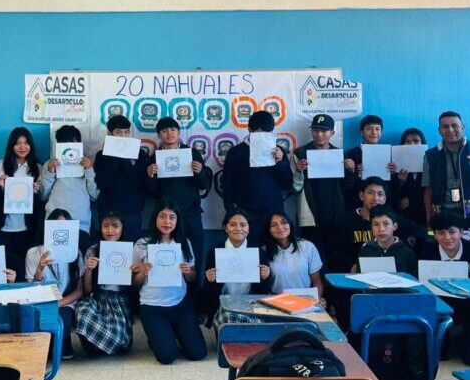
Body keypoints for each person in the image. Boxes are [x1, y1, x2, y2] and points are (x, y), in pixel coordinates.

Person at [131, 200, 207, 365]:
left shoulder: (184, 243)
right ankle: (160, 336)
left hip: (180, 305)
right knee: (167, 356)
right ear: (155, 218)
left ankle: (172, 332)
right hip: (153, 308)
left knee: (198, 353)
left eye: (172, 217)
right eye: (162, 216)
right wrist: (142, 272)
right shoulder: (142, 244)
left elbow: (192, 277)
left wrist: (188, 272)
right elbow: (134, 283)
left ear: (177, 220)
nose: (167, 222)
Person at [146, 117, 211, 278]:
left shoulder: (192, 153)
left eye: (173, 129)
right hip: (166, 218)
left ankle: (196, 291)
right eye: (165, 131)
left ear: (179, 132)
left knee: (195, 255)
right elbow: (151, 193)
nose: (170, 133)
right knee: (167, 256)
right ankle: (171, 290)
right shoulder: (154, 158)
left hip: (191, 214)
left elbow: (203, 185)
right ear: (159, 135)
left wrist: (200, 172)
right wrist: (150, 177)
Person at [419, 210, 470, 366]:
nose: (447, 237)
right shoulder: (427, 251)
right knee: (438, 356)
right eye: (441, 233)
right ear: (435, 235)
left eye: (452, 232)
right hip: (440, 303)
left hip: (469, 303)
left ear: (461, 232)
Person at [0, 127, 46, 282]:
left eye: (26, 143)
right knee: (3, 270)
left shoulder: (38, 168)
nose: (22, 147)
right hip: (2, 229)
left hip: (27, 229)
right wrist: (0, 189)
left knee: (24, 271)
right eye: (18, 143)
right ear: (11, 145)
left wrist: (35, 192)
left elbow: (44, 198)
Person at [221, 110, 294, 245]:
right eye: (259, 133)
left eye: (267, 133)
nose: (262, 137)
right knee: (251, 250)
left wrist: (281, 162)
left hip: (274, 212)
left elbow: (287, 183)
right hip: (246, 212)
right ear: (249, 130)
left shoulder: (278, 151)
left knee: (274, 250)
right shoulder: (236, 152)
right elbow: (227, 184)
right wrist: (231, 210)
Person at [27, 209, 85, 359]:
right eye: (56, 225)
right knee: (41, 329)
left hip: (65, 301)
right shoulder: (33, 253)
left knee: (61, 324)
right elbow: (31, 290)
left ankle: (63, 340)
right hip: (41, 302)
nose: (60, 230)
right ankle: (57, 344)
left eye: (65, 226)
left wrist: (59, 303)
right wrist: (39, 270)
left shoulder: (75, 253)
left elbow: (80, 290)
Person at [75, 209, 134, 356]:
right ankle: (95, 346)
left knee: (119, 339)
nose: (110, 230)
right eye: (105, 226)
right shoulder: (93, 250)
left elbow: (135, 287)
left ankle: (101, 344)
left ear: (122, 228)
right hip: (98, 299)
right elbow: (87, 291)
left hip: (119, 300)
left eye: (115, 226)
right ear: (100, 228)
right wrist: (89, 270)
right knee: (82, 313)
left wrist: (135, 272)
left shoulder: (130, 250)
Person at [293, 114, 348, 270]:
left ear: (332, 133)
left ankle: (332, 285)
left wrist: (350, 171)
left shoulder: (340, 154)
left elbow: (348, 188)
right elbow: (294, 187)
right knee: (311, 255)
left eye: (324, 131)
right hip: (310, 214)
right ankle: (314, 284)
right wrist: (298, 170)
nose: (319, 134)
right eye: (315, 130)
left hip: (335, 214)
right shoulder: (300, 153)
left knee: (335, 255)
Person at [201, 210, 273, 328]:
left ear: (248, 228)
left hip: (250, 303)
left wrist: (265, 278)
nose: (238, 228)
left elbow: (263, 290)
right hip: (222, 303)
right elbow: (208, 291)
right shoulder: (215, 251)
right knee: (230, 323)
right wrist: (210, 280)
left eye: (243, 225)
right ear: (226, 228)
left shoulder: (257, 251)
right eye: (232, 224)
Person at [422, 111, 470, 228]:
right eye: (445, 126)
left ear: (462, 128)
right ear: (439, 130)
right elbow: (428, 189)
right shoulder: (430, 155)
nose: (450, 130)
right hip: (442, 214)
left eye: (454, 125)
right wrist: (429, 219)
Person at [40, 125, 98, 251]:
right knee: (54, 257)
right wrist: (50, 172)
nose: (69, 146)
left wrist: (89, 170)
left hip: (80, 222)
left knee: (80, 258)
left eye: (73, 143)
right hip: (54, 220)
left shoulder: (87, 164)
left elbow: (95, 195)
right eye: (64, 143)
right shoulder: (50, 164)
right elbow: (43, 195)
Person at [94, 115, 150, 242]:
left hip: (132, 211)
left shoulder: (139, 154)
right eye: (118, 132)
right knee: (109, 250)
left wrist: (125, 158)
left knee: (132, 247)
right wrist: (115, 156)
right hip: (108, 212)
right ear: (110, 134)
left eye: (126, 132)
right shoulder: (101, 156)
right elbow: (102, 183)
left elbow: (140, 181)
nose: (123, 136)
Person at [264, 209, 325, 304]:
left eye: (283, 222)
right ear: (269, 230)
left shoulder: (307, 246)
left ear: (290, 224)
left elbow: (317, 281)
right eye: (273, 225)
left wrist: (317, 300)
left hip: (305, 300)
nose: (280, 227)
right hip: (275, 301)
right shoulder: (264, 251)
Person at [354, 206, 417, 275]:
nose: (381, 229)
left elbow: (413, 279)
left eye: (386, 224)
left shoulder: (406, 252)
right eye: (376, 224)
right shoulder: (366, 250)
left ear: (395, 226)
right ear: (371, 227)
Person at [344, 114, 390, 202]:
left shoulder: (388, 154)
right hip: (357, 200)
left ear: (381, 132)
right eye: (369, 129)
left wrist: (392, 172)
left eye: (377, 129)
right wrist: (355, 172)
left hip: (381, 201)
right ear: (362, 132)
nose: (374, 132)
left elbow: (391, 184)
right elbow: (346, 185)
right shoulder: (350, 154)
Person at [392, 128, 427, 228]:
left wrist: (412, 200)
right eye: (408, 141)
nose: (412, 144)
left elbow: (432, 192)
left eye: (416, 141)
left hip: (425, 216)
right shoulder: (395, 166)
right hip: (404, 219)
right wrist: (400, 182)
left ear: (422, 143)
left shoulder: (430, 164)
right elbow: (394, 199)